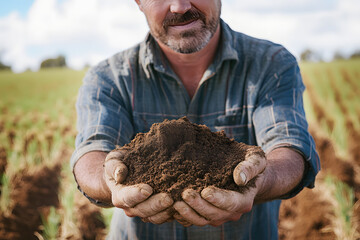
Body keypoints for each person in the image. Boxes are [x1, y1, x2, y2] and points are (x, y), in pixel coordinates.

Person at [71, 0, 320, 239]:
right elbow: (92, 152)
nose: (180, 6)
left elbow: (289, 146)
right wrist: (110, 179)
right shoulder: (108, 78)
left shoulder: (271, 64)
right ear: (138, 2)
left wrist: (262, 177)